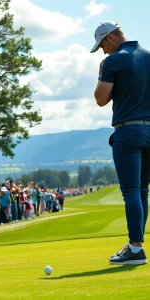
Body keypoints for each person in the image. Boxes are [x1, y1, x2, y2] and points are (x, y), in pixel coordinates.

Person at [92, 21, 150, 265]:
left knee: (131, 190)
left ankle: (136, 249)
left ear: (110, 38)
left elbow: (101, 99)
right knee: (143, 190)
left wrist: (101, 72)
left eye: (103, 46)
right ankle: (136, 246)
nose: (104, 51)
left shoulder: (113, 61)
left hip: (128, 131)